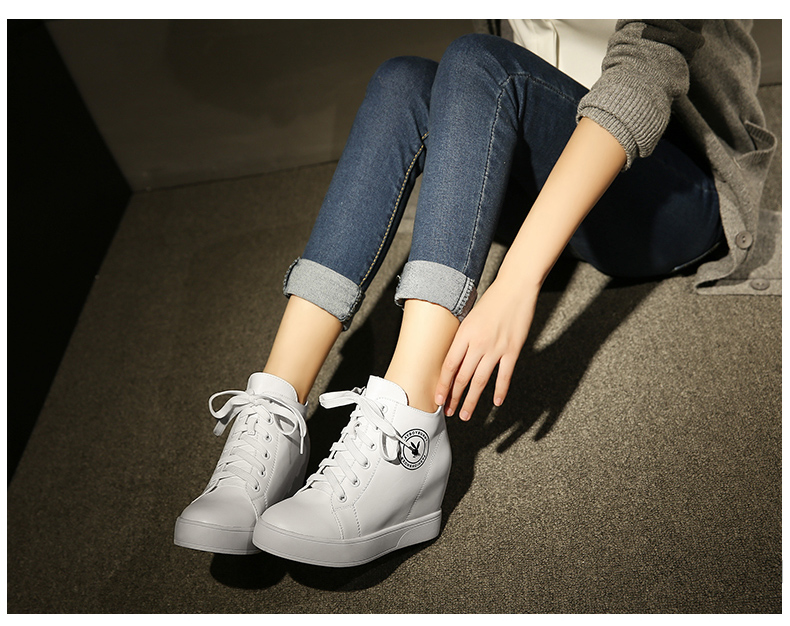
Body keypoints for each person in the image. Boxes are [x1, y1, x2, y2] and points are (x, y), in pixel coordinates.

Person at [174, 20, 775, 567]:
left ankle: (409, 428)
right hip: (552, 176)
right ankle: (277, 411)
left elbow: (644, 75)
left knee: (482, 62)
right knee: (402, 81)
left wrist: (515, 280)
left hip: (675, 195)